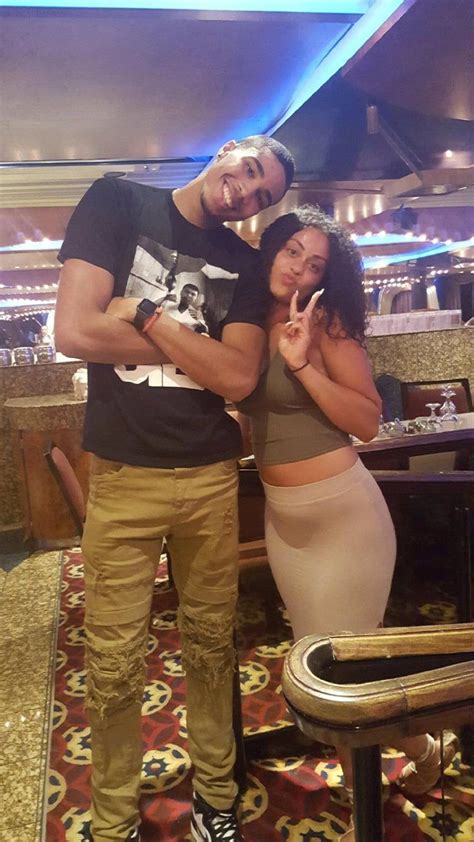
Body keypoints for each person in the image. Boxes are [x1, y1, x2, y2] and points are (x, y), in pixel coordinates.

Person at [54, 135, 295, 842]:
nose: (246, 193)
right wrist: (203, 349)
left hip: (210, 478)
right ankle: (114, 819)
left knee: (213, 648)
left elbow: (238, 378)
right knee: (113, 662)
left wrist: (144, 314)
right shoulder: (117, 202)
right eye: (249, 171)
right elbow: (74, 330)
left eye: (262, 196)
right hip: (123, 476)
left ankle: (216, 794)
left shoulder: (245, 265)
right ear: (229, 150)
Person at [235, 205, 458, 842]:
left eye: (315, 265)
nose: (299, 270)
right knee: (317, 664)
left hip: (344, 517)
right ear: (270, 249)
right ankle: (403, 755)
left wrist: (303, 363)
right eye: (292, 252)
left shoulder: (324, 321)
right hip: (285, 523)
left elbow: (365, 420)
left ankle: (395, 771)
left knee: (345, 669)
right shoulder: (246, 324)